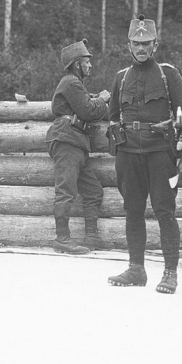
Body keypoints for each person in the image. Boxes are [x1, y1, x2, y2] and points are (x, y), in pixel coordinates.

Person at [106, 15, 182, 293]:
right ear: (129, 45)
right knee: (132, 211)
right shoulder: (121, 78)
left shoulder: (168, 75)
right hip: (129, 155)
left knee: (165, 212)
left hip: (160, 154)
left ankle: (170, 273)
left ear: (155, 45)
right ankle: (136, 269)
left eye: (146, 43)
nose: (141, 48)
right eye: (136, 43)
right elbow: (113, 114)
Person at [44, 39, 111, 253]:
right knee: (66, 191)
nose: (90, 65)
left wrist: (100, 102)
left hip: (77, 142)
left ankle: (91, 236)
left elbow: (88, 104)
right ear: (76, 65)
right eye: (86, 61)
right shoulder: (71, 82)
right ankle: (62, 239)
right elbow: (89, 110)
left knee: (93, 191)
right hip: (67, 141)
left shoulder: (75, 84)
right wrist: (103, 99)